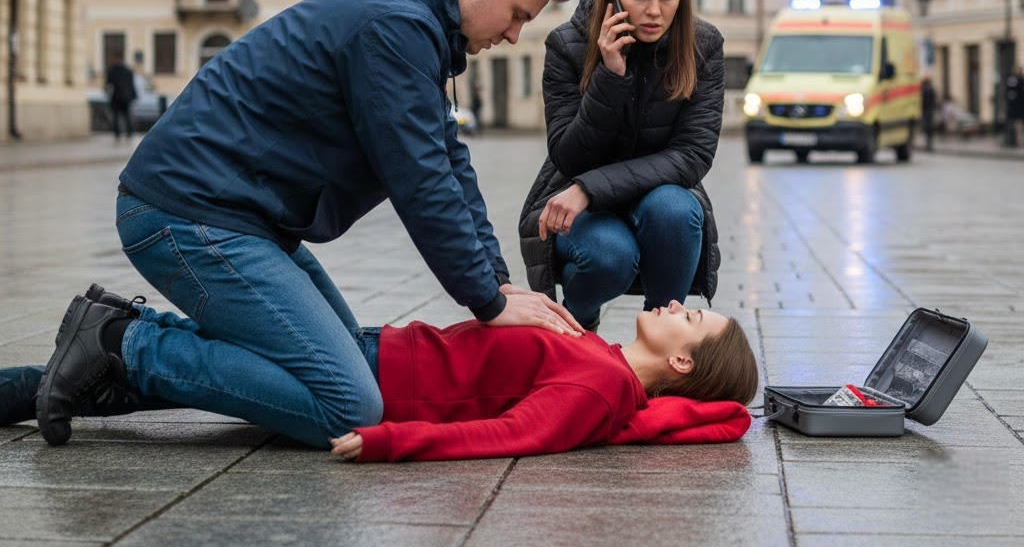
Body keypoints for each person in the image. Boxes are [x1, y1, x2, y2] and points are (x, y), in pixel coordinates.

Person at [35, 0, 581, 450]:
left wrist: (497, 283)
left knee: (340, 364)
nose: (515, 35)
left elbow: (450, 164)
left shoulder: (414, 23)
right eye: (518, 15)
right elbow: (421, 179)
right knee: (349, 405)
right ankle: (119, 345)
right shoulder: (393, 25)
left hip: (234, 218)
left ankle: (102, 355)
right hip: (187, 215)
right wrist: (486, 301)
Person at [4, 285, 758, 460]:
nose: (676, 303)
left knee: (122, 378)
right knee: (181, 366)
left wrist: (391, 441)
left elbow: (510, 435)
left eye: (691, 317)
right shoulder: (598, 353)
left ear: (682, 361)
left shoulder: (604, 388)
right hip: (370, 354)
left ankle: (122, 341)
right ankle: (121, 341)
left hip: (371, 385)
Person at [519, 0, 724, 333]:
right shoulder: (567, 45)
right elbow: (568, 157)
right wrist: (610, 77)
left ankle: (660, 338)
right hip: (585, 213)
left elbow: (693, 155)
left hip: (648, 197)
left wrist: (588, 188)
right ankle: (578, 329)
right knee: (609, 255)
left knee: (677, 210)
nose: (655, 11)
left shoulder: (703, 46)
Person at [105, 54, 137, 140]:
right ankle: (129, 132)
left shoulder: (112, 71)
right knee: (126, 115)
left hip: (117, 97)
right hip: (126, 97)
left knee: (117, 116)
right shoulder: (128, 71)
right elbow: (131, 85)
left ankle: (118, 133)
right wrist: (132, 95)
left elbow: (108, 84)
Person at [1005, 64, 1024, 148]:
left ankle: (1017, 140)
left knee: (1018, 123)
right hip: (1014, 106)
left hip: (1018, 106)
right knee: (1014, 123)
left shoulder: (1019, 80)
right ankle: (1013, 140)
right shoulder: (1012, 79)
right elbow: (1008, 92)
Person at [920, 73, 937, 151]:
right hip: (930, 109)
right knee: (929, 128)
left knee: (926, 127)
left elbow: (921, 100)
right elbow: (934, 99)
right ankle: (929, 144)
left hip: (925, 109)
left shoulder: (923, 88)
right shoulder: (930, 88)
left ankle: (928, 144)